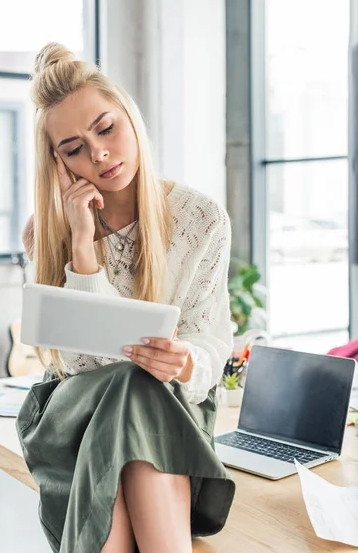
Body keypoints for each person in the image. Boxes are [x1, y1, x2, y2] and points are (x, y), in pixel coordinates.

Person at [17, 42, 235, 553]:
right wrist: (80, 244)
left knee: (140, 388)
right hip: (76, 415)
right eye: (73, 147)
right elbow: (83, 363)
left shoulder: (201, 220)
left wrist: (185, 360)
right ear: (58, 161)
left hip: (171, 411)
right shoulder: (45, 233)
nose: (99, 154)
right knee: (129, 383)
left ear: (130, 117)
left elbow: (211, 340)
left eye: (106, 128)